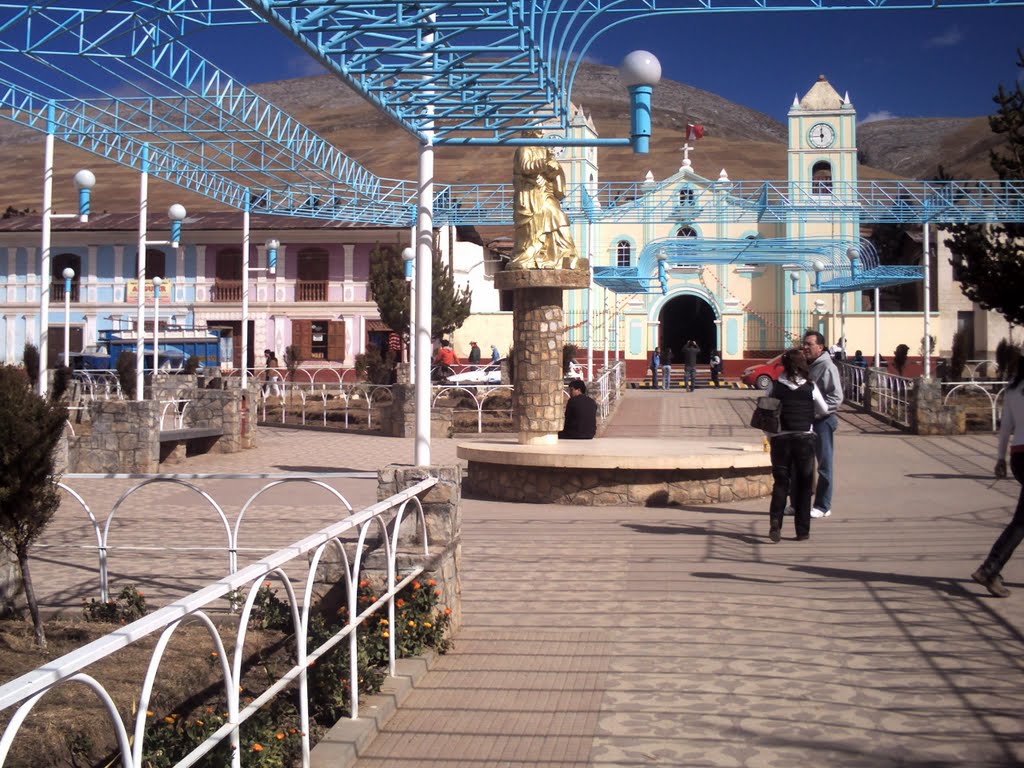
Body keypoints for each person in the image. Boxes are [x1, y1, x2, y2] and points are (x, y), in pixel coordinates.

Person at [765, 349, 829, 542]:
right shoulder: (810, 386)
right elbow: (824, 408)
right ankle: (802, 531)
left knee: (781, 483)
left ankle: (776, 524)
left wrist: (771, 437)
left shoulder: (775, 387)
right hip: (804, 439)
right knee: (803, 485)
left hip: (781, 439)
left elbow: (766, 414)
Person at [971, 364, 1024, 597]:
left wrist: (1000, 459)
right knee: (1021, 522)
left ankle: (991, 568)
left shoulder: (1013, 389)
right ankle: (990, 568)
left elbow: (1006, 429)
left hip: (1019, 457)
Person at [510, 130, 578, 270]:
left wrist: (554, 168)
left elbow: (554, 174)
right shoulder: (524, 149)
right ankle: (535, 253)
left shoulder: (543, 150)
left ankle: (565, 253)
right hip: (530, 197)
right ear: (530, 132)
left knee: (559, 215)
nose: (541, 132)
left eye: (541, 130)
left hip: (544, 193)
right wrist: (544, 164)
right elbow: (525, 167)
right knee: (540, 220)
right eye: (537, 129)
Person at [802, 331, 844, 519]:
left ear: (820, 347)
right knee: (803, 464)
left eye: (809, 344)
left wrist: (818, 411)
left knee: (824, 465)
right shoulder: (807, 365)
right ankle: (798, 503)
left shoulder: (827, 366)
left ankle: (823, 505)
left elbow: (836, 397)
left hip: (822, 422)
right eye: (804, 344)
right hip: (807, 422)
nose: (805, 347)